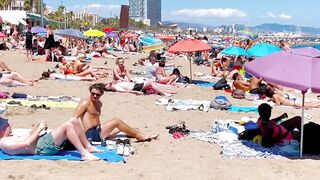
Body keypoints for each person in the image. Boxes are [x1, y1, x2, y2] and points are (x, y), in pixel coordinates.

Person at [70, 83, 159, 143]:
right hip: (91, 134)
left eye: (97, 95)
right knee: (117, 121)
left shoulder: (99, 103)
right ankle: (139, 136)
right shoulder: (85, 103)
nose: (94, 96)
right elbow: (73, 119)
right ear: (90, 92)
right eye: (93, 93)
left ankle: (145, 135)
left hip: (99, 131)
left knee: (126, 129)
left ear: (101, 94)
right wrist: (78, 135)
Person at [0, 120, 100, 161]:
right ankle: (84, 153)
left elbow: (28, 139)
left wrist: (37, 128)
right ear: (2, 130)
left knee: (74, 120)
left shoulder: (7, 139)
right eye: (7, 124)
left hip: (41, 142)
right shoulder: (4, 143)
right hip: (41, 148)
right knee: (67, 126)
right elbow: (27, 144)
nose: (10, 125)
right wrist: (39, 129)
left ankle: (88, 147)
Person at [105, 80, 175, 96]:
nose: (108, 83)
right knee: (151, 82)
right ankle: (164, 93)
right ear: (109, 88)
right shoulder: (117, 87)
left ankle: (166, 91)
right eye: (107, 85)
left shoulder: (116, 84)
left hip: (136, 85)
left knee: (152, 84)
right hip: (135, 87)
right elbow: (126, 91)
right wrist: (136, 92)